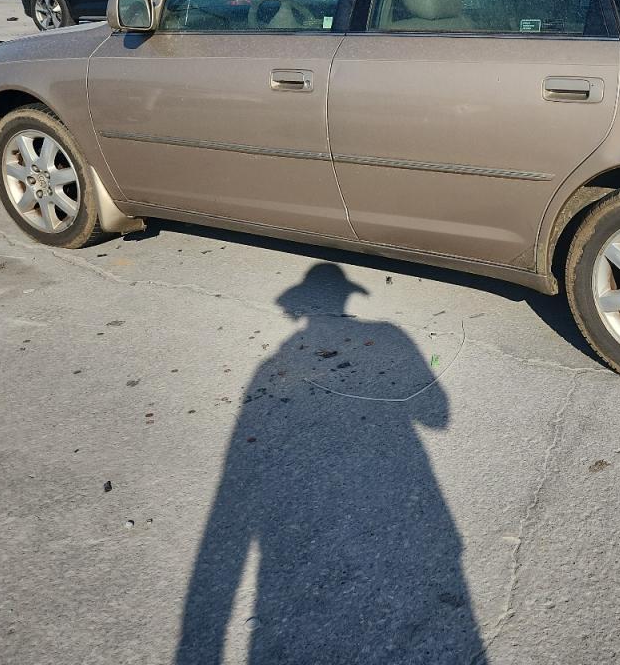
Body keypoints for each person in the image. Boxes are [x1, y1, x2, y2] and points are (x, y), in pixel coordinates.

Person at [176, 263, 486, 664]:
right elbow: (437, 417)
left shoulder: (270, 365)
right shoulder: (389, 333)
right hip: (416, 530)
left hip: (280, 566)